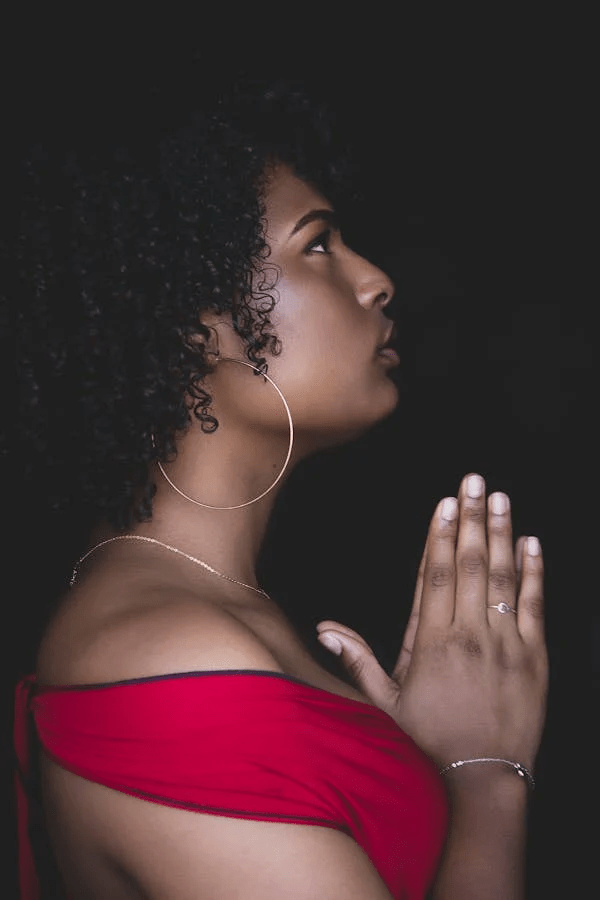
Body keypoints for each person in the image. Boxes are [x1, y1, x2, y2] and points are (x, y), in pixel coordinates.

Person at [11, 81, 548, 899]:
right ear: (196, 323)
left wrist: (433, 759)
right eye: (319, 244)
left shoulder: (206, 618)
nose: (377, 280)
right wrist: (485, 775)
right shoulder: (168, 655)